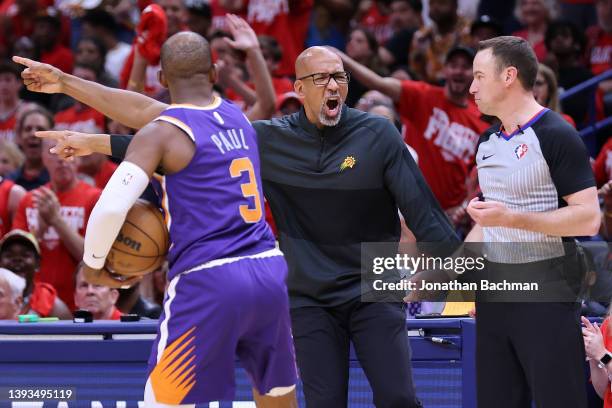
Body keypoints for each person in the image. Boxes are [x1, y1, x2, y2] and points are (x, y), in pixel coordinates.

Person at [33, 16, 299, 407]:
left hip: (210, 279)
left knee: (163, 401)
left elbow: (110, 206)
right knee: (276, 398)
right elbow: (143, 109)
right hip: (268, 272)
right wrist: (69, 86)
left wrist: (93, 265)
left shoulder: (162, 131)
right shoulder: (237, 118)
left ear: (161, 75)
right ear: (212, 71)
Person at [466, 36, 600, 408]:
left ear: (508, 76)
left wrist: (513, 218)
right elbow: (488, 224)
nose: (472, 86)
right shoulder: (486, 141)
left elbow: (588, 217)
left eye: (479, 76)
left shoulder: (556, 133)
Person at [335, 45, 489, 221]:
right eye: (453, 65)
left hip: (449, 220)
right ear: (445, 70)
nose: (459, 72)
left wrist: (463, 208)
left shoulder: (481, 122)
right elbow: (378, 82)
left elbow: (479, 178)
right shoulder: (423, 96)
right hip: (407, 209)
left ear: (476, 74)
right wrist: (341, 57)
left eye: (465, 67)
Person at [12, 136, 101, 310]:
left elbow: (95, 259)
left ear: (79, 157)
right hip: (37, 305)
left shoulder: (95, 198)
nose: (62, 159)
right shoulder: (29, 200)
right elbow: (15, 259)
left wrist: (56, 221)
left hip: (82, 303)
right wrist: (39, 231)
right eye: (54, 152)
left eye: (69, 151)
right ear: (44, 158)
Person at [0, 229, 71, 318]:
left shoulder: (53, 306)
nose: (17, 259)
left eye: (25, 255)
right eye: (9, 255)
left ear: (38, 263)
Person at [582, 315, 612, 407]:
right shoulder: (609, 324)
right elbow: (604, 393)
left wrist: (602, 354)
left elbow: (602, 355)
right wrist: (592, 354)